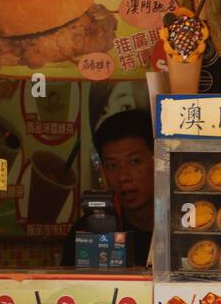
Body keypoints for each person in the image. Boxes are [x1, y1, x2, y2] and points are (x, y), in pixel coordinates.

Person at [61, 109, 155, 268]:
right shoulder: (88, 231)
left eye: (135, 161)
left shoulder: (185, 227)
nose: (123, 177)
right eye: (112, 165)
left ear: (159, 161)